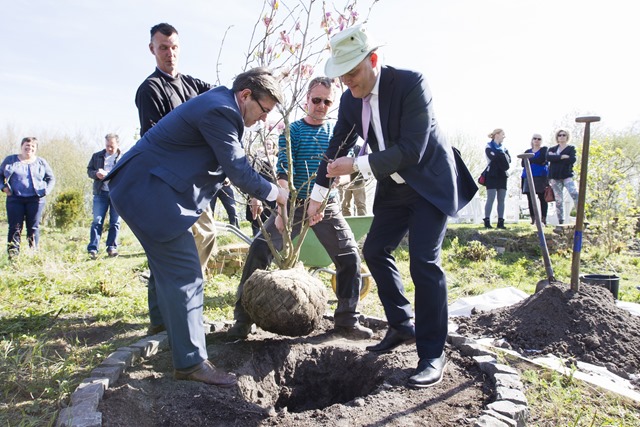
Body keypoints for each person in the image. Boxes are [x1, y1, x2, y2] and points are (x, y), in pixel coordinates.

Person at [307, 25, 477, 388]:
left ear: (373, 60)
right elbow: (337, 145)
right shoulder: (352, 99)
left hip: (428, 184)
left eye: (353, 73)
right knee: (374, 248)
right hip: (394, 190)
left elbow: (411, 151)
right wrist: (318, 197)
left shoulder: (411, 84)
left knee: (424, 262)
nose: (348, 83)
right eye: (342, 76)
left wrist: (355, 165)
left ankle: (432, 353)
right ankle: (401, 326)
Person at [107, 67, 289, 386]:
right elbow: (237, 170)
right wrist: (278, 195)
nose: (263, 120)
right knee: (186, 275)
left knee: (170, 272)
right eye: (264, 111)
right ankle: (191, 363)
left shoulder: (219, 100)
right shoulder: (222, 110)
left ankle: (166, 333)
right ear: (246, 95)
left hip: (140, 188)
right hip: (150, 193)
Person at [228, 76, 372, 340]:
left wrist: (333, 186)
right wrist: (283, 211)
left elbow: (345, 172)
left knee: (350, 256)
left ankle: (347, 321)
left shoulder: (337, 132)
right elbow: (283, 169)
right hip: (293, 204)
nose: (320, 106)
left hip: (326, 206)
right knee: (260, 248)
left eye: (327, 102)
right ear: (306, 99)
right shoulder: (291, 130)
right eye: (316, 100)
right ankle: (242, 320)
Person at [136, 22, 218, 334]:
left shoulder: (193, 85)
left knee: (205, 235)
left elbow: (221, 99)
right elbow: (155, 140)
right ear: (152, 50)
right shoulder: (150, 90)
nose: (169, 53)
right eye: (162, 48)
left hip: (198, 180)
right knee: (171, 250)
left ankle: (178, 305)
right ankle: (166, 317)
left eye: (173, 47)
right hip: (169, 182)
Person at [1, 137, 55, 258]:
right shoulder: (10, 160)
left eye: (32, 147)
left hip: (36, 200)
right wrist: (3, 187)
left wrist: (46, 190)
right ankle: (13, 255)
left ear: (35, 149)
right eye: (27, 146)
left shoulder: (41, 162)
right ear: (22, 146)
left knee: (33, 227)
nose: (29, 148)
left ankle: (33, 253)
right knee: (15, 227)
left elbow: (51, 178)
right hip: (15, 199)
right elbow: (0, 176)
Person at [86, 133, 122, 258]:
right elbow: (89, 171)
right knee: (97, 221)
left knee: (115, 222)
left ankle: (112, 247)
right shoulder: (97, 156)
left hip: (117, 193)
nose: (109, 149)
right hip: (100, 192)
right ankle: (93, 249)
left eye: (112, 146)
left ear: (117, 144)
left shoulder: (124, 157)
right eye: (107, 146)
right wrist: (96, 173)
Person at [546, 129, 579, 225]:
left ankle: (581, 216)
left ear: (567, 136)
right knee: (559, 200)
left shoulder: (571, 148)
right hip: (555, 177)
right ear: (557, 137)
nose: (562, 137)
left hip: (567, 176)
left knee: (574, 194)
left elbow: (572, 159)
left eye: (564, 135)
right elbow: (548, 158)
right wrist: (562, 157)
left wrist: (556, 157)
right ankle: (561, 221)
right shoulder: (552, 149)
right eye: (560, 135)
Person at [482, 128, 511, 229]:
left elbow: (509, 160)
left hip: (502, 174)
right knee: (491, 198)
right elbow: (492, 157)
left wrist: (500, 156)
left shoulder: (504, 148)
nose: (504, 136)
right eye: (503, 134)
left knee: (501, 199)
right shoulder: (488, 146)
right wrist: (501, 157)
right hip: (492, 174)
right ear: (497, 135)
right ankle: (487, 220)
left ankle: (501, 221)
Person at [520, 133, 548, 225]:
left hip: (541, 176)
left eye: (539, 139)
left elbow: (542, 160)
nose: (536, 140)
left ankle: (543, 219)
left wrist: (530, 160)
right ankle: (534, 219)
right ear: (532, 140)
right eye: (535, 138)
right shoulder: (527, 151)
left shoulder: (544, 150)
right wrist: (534, 160)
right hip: (528, 176)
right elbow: (523, 164)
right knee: (530, 199)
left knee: (542, 198)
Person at [341, 142, 368, 217]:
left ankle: (362, 226)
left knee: (361, 205)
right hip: (345, 182)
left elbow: (366, 163)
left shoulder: (360, 149)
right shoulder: (342, 148)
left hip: (358, 181)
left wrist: (364, 179)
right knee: (344, 207)